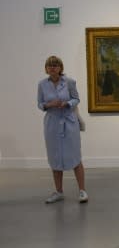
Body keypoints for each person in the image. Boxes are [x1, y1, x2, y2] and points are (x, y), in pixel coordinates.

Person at [37, 55, 88, 203]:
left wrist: (67, 104)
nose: (52, 67)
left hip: (69, 123)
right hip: (51, 124)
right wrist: (49, 105)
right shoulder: (42, 85)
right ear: (46, 68)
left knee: (75, 156)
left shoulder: (69, 82)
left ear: (60, 67)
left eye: (55, 65)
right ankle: (59, 192)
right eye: (49, 65)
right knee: (55, 158)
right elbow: (40, 104)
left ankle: (82, 190)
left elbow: (76, 99)